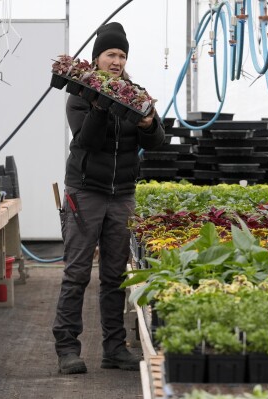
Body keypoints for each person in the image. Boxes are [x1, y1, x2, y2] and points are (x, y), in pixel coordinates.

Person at [53, 21, 165, 374]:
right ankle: (67, 350)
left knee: (116, 275)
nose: (116, 61)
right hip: (85, 194)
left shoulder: (136, 93)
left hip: (122, 196)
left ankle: (114, 349)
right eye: (110, 54)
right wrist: (101, 104)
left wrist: (149, 125)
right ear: (97, 58)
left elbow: (157, 141)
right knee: (77, 274)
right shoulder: (80, 94)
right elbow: (87, 141)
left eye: (121, 55)